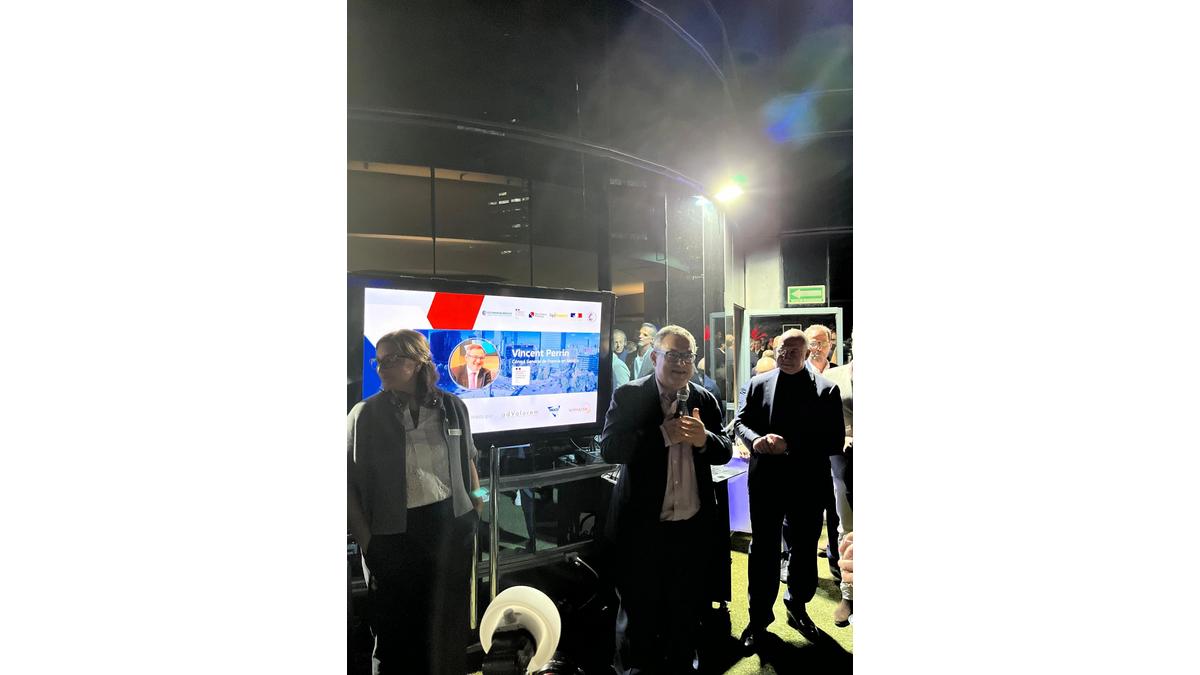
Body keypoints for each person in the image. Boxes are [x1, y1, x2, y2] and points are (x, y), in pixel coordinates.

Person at [348, 329, 484, 675]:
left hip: (451, 529)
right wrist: (368, 542)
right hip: (393, 534)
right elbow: (346, 485)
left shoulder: (453, 407)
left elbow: (469, 462)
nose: (382, 368)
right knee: (395, 633)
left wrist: (477, 508)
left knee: (447, 625)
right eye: (379, 361)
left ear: (419, 361)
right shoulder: (366, 415)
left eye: (392, 359)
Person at [601, 325, 733, 674]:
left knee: (684, 611)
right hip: (643, 529)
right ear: (654, 357)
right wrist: (661, 435)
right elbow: (610, 448)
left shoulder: (704, 398)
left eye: (688, 356)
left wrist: (704, 439)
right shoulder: (629, 395)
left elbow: (724, 449)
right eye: (673, 355)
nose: (682, 364)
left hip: (690, 527)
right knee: (638, 614)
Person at [733, 328, 844, 650]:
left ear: (807, 354)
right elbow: (740, 423)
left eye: (793, 351)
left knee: (805, 550)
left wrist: (790, 445)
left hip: (808, 484)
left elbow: (833, 441)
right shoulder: (757, 384)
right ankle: (758, 619)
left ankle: (798, 606)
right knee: (763, 550)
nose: (785, 355)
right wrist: (756, 440)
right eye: (781, 349)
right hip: (766, 483)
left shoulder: (826, 389)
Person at [822, 328, 854, 626]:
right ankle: (849, 594)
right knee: (848, 528)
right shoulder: (835, 376)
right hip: (844, 461)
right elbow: (823, 421)